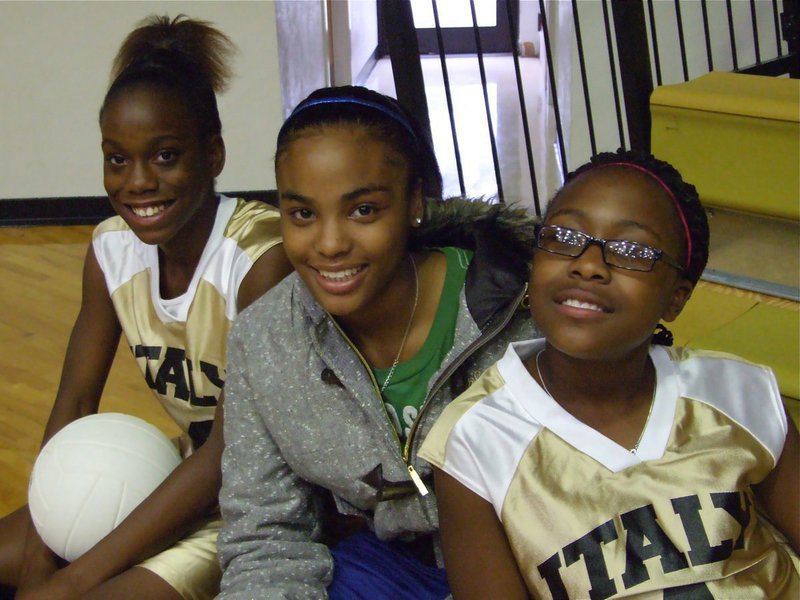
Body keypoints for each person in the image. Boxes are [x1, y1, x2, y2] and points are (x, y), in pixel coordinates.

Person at [419, 149, 800, 599]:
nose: (588, 263)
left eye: (632, 251)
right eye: (563, 236)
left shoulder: (734, 392)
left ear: (676, 298)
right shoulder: (475, 436)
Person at [0, 15, 292, 600]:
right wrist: (41, 561)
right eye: (117, 158)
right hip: (177, 475)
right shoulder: (110, 249)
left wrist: (73, 578)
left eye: (164, 157)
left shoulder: (261, 260)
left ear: (213, 155)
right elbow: (75, 405)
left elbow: (231, 450)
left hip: (257, 498)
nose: (138, 182)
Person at [216, 85, 539, 598]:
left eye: (362, 210)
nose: (328, 244)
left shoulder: (517, 315)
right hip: (385, 568)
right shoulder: (264, 341)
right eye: (302, 214)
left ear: (414, 203)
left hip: (523, 566)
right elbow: (267, 534)